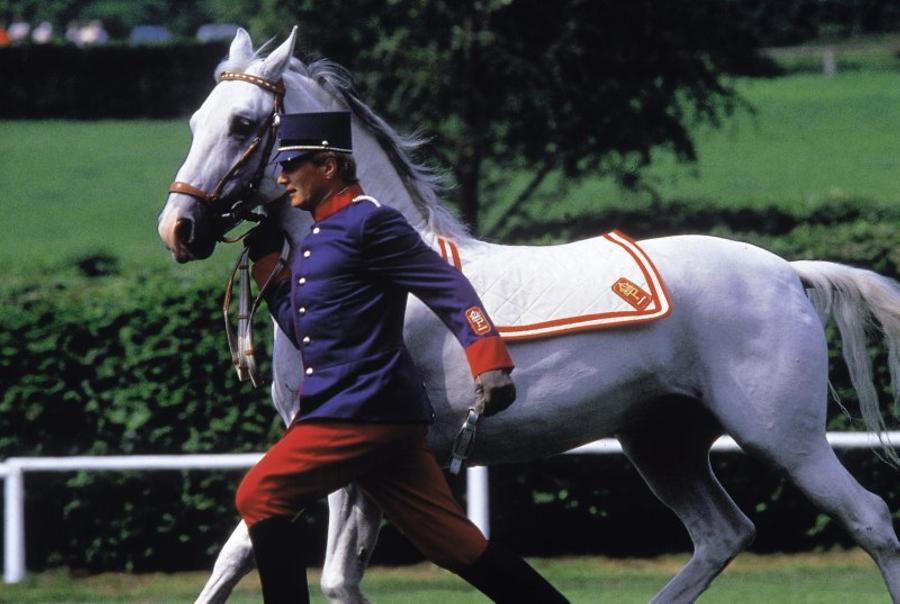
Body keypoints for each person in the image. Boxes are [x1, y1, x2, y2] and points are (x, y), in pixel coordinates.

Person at [237, 111, 568, 603]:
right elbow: (310, 329)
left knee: (259, 494)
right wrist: (267, 263)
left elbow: (448, 286)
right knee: (453, 543)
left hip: (358, 412)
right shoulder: (315, 241)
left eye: (293, 164)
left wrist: (488, 356)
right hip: (379, 417)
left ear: (328, 166)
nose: (281, 176)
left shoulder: (372, 221)